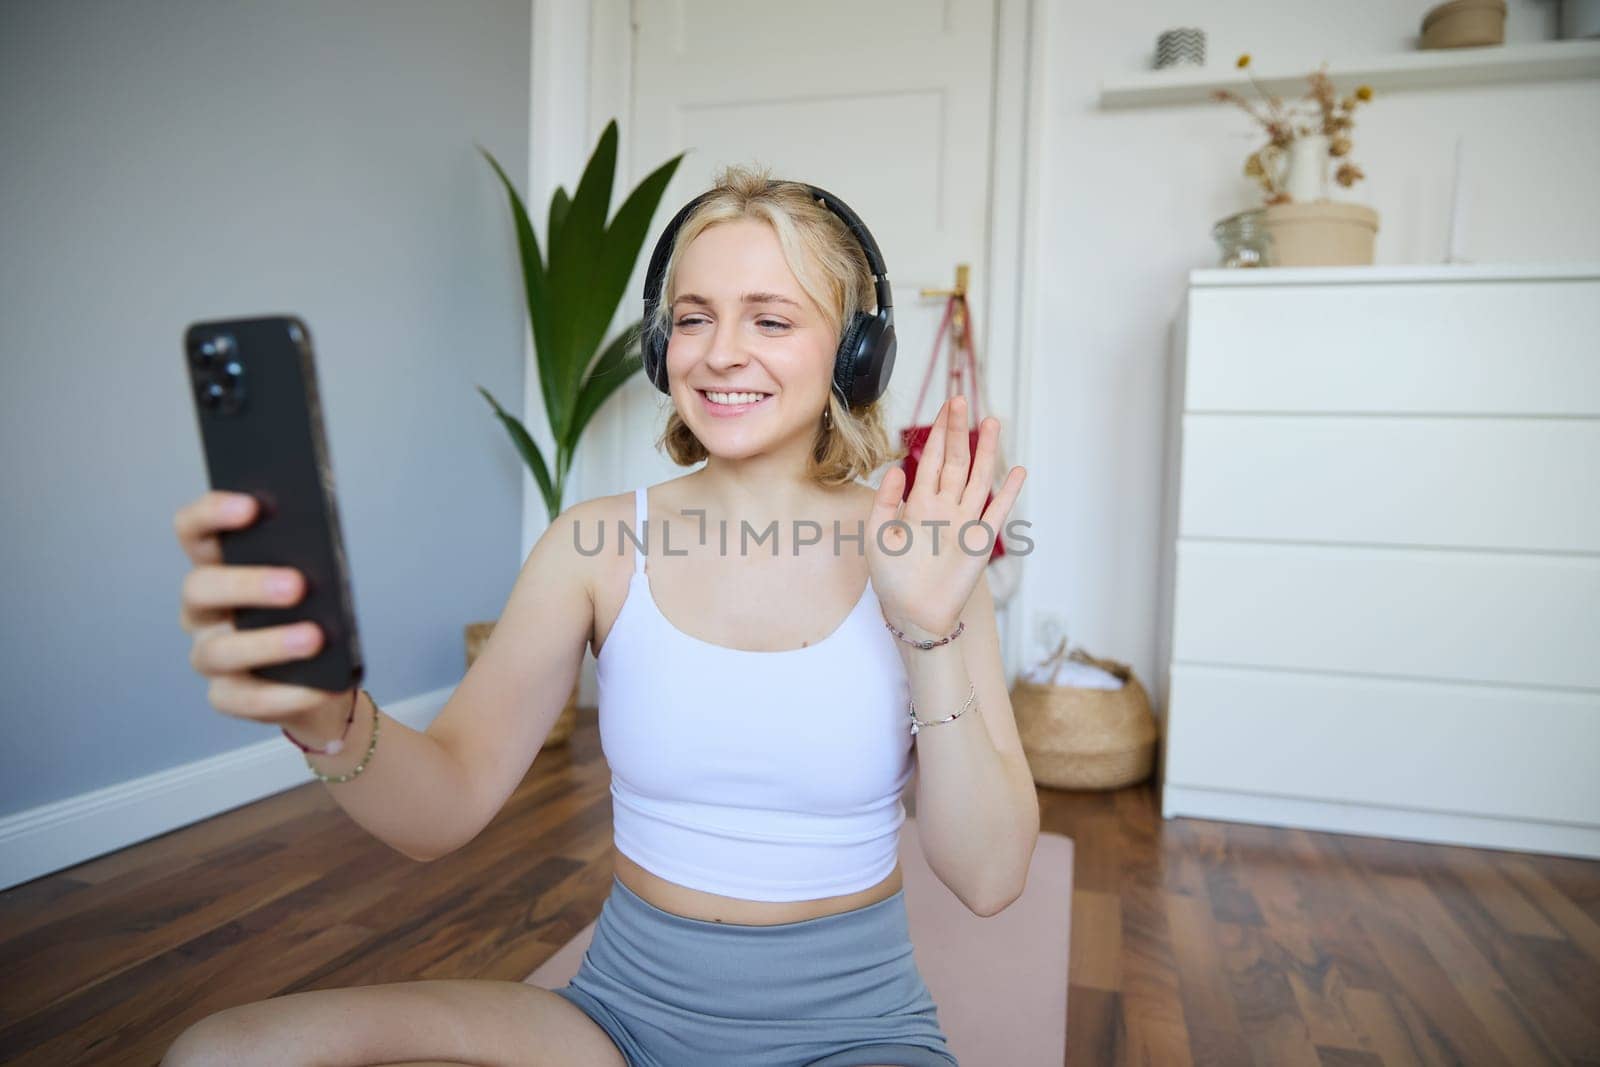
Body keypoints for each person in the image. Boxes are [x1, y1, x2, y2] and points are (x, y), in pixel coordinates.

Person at [163, 164, 1037, 1067]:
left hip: (853, 1032)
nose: (721, 351)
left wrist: (929, 630)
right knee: (222, 1052)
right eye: (693, 317)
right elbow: (446, 802)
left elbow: (991, 875)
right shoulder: (596, 545)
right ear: (662, 347)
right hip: (616, 1022)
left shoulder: (925, 555)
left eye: (771, 319)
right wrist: (329, 723)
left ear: (855, 353)